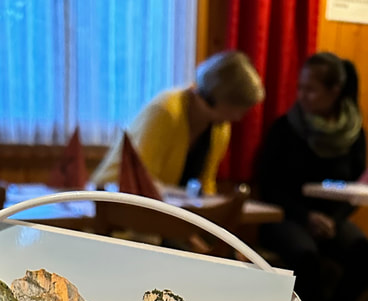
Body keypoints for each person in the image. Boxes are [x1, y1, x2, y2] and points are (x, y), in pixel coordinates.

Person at [256, 52, 368, 301]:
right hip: (285, 215)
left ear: (334, 92)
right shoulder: (284, 128)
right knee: (305, 257)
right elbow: (268, 185)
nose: (302, 96)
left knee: (363, 254)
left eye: (310, 90)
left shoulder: (355, 134)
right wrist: (306, 216)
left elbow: (357, 187)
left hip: (332, 219)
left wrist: (334, 219)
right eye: (300, 88)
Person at [92, 51, 264, 195]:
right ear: (216, 96)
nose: (238, 117)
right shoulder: (166, 111)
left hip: (164, 210)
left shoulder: (220, 127)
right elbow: (141, 180)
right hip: (116, 200)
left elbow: (206, 183)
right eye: (236, 107)